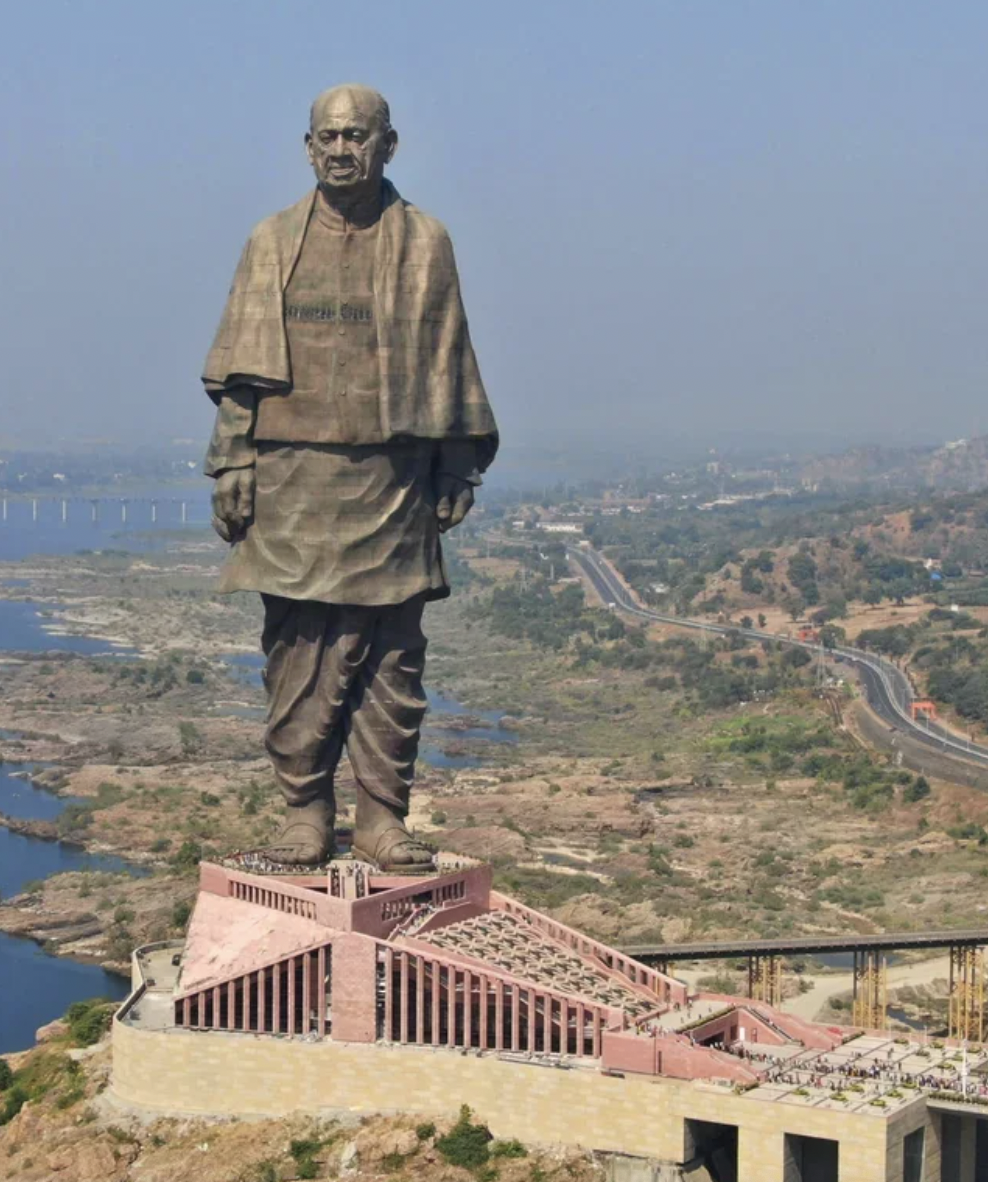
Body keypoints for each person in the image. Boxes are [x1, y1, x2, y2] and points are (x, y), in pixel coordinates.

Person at [202, 84, 497, 870]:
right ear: (307, 147)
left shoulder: (426, 242)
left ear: (387, 145)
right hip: (293, 477)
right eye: (328, 137)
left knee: (393, 657)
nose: (341, 149)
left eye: (357, 136)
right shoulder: (272, 241)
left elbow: (449, 355)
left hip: (393, 480)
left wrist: (456, 462)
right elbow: (239, 371)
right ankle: (305, 809)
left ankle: (380, 816)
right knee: (297, 651)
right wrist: (234, 458)